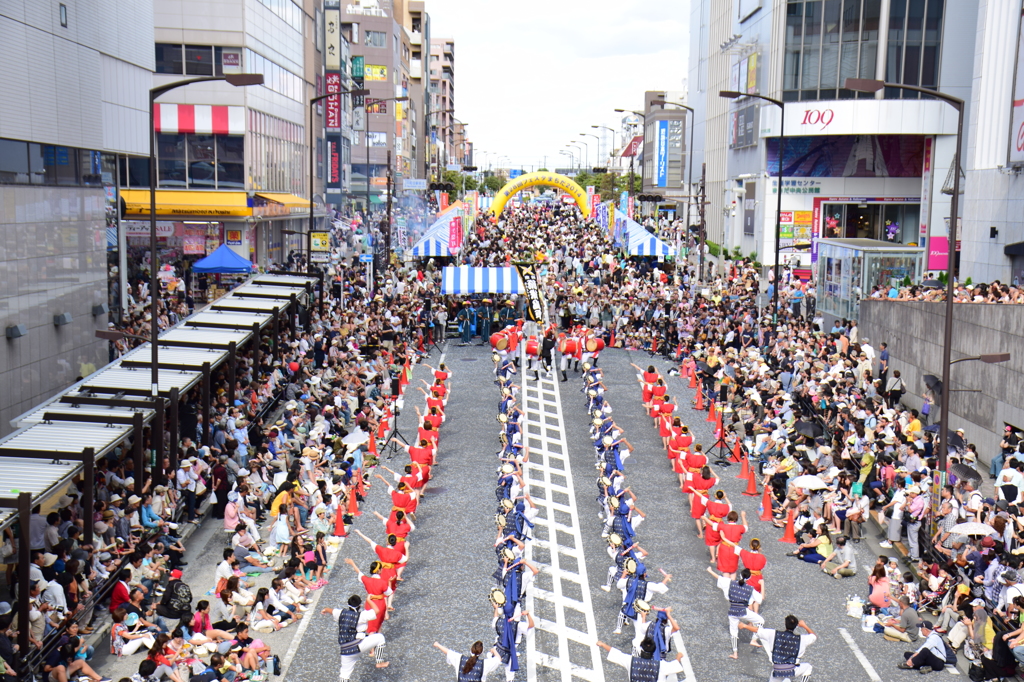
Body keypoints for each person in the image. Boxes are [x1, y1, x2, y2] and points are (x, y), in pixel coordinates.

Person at [322, 595, 387, 680]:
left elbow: (331, 610)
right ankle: (379, 661)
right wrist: (368, 600)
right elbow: (376, 610)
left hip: (345, 649)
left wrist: (325, 610)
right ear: (360, 606)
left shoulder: (341, 613)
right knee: (380, 637)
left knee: (344, 675)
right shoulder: (362, 615)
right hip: (359, 645)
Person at [707, 566, 764, 659]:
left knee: (733, 632)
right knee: (760, 621)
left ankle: (735, 653)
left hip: (732, 611)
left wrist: (710, 571)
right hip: (744, 611)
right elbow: (760, 599)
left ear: (740, 575)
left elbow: (719, 578)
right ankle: (754, 639)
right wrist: (762, 585)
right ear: (749, 578)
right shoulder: (750, 589)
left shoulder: (731, 583)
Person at [738, 614, 816, 681]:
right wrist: (804, 625)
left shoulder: (774, 634)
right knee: (808, 667)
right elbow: (813, 636)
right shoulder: (801, 639)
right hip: (792, 670)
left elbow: (757, 630)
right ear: (796, 626)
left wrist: (744, 626)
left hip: (777, 670)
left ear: (785, 623)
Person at [596, 636, 686, 681]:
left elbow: (616, 653)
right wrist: (678, 656)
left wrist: (603, 644)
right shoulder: (660, 665)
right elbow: (675, 665)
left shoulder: (631, 661)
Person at [432, 640, 503, 680]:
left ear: (470, 650)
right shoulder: (484, 664)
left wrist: (438, 645)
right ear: (481, 652)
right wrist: (494, 650)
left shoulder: (459, 658)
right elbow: (499, 659)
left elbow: (448, 652)